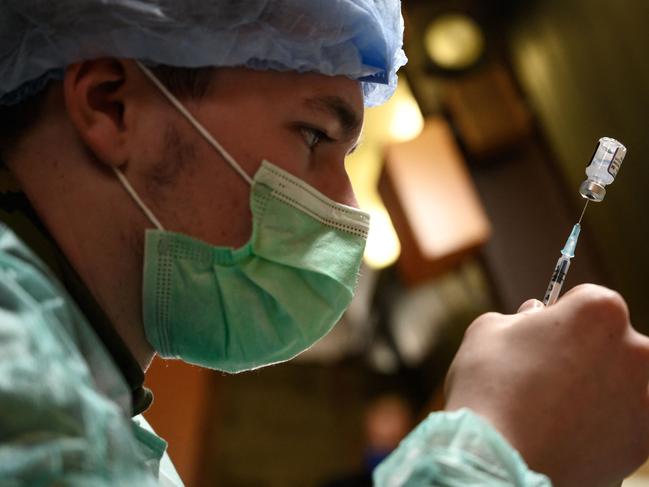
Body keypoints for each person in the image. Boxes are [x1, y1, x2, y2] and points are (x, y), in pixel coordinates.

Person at [1, 1, 648, 486]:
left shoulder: (99, 407)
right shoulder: (16, 363)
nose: (347, 209)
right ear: (113, 105)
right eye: (313, 136)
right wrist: (499, 443)